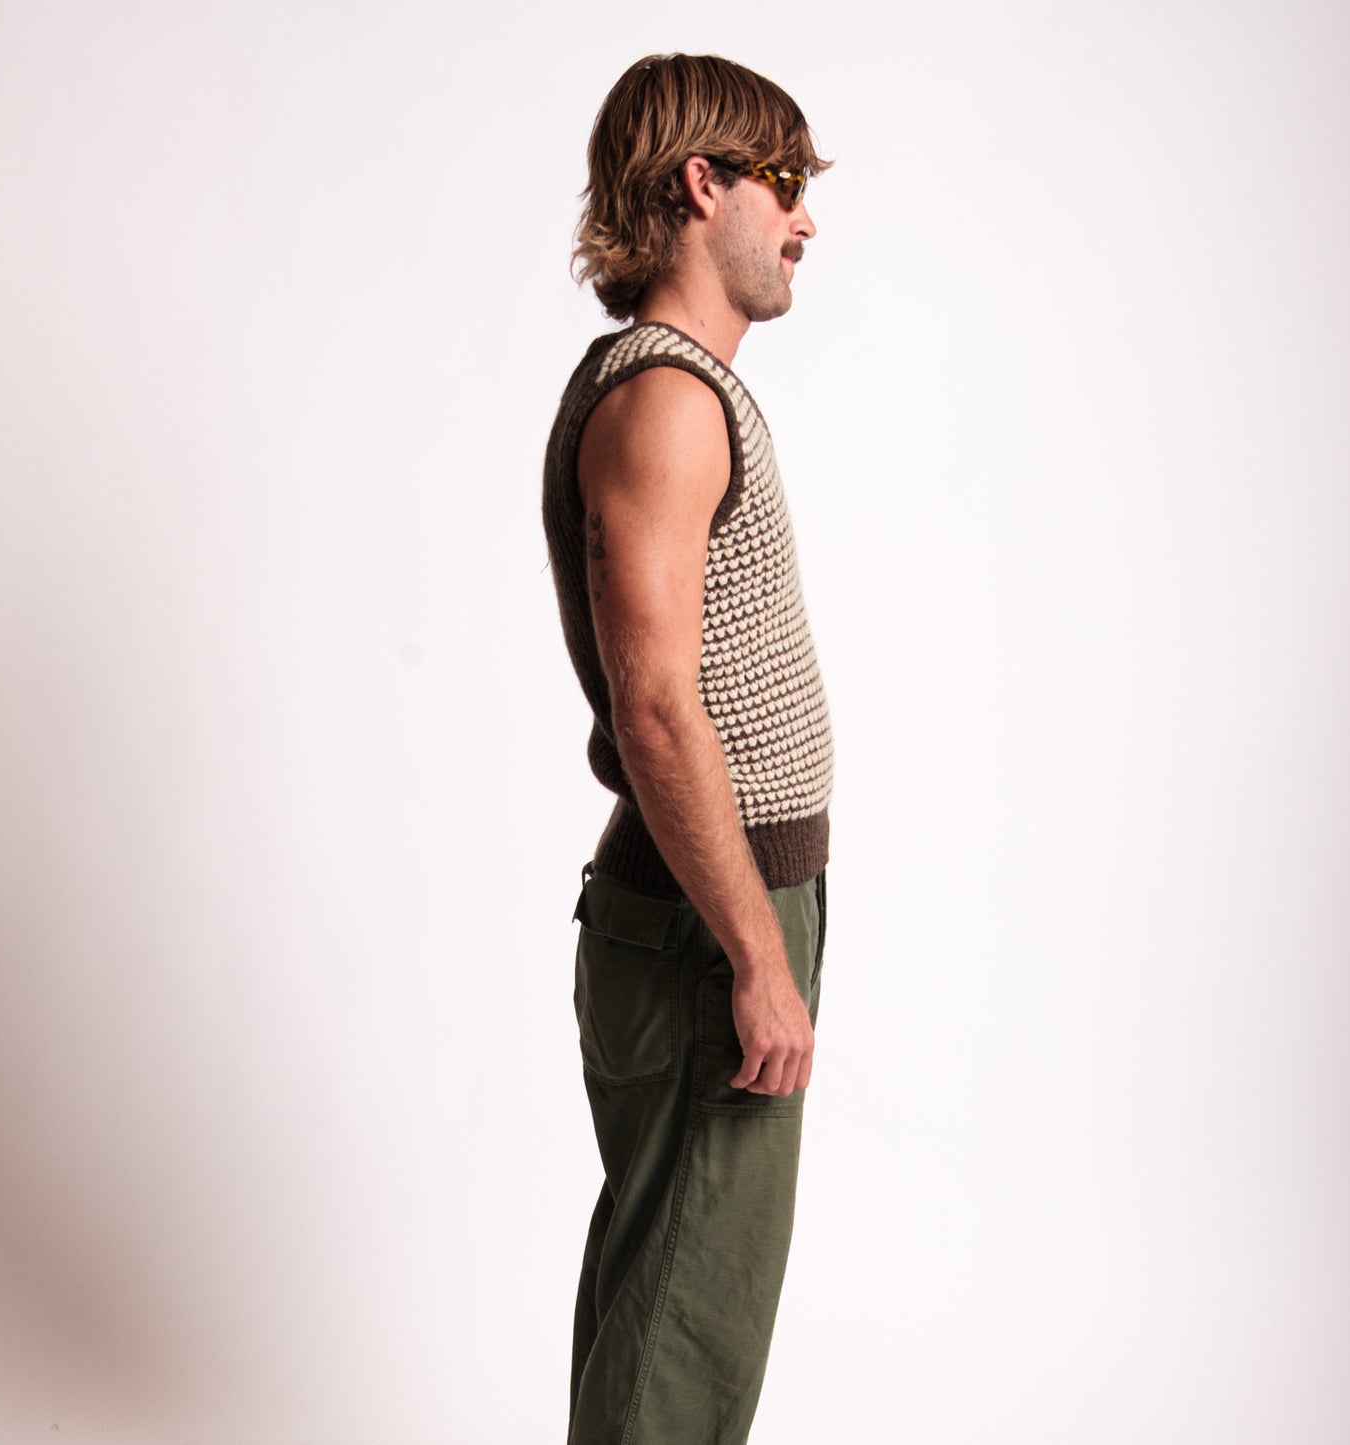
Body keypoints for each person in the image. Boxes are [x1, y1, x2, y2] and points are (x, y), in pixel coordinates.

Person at [542, 52, 834, 1445]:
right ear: (701, 183)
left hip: (710, 909)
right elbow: (656, 708)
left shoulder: (682, 391)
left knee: (670, 1305)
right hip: (708, 922)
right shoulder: (662, 401)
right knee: (683, 1331)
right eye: (784, 181)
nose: (804, 218)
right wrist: (758, 959)